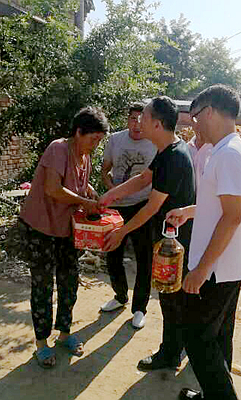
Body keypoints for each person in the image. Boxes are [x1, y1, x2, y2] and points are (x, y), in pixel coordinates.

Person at [166, 85, 241, 400]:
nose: (194, 123)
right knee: (217, 337)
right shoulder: (225, 150)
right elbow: (221, 205)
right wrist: (189, 212)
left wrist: (201, 270)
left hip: (216, 270)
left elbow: (231, 217)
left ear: (211, 112)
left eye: (196, 116)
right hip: (226, 266)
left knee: (197, 337)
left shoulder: (228, 154)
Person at [99, 96, 195, 371]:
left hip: (174, 242)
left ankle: (169, 354)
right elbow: (142, 179)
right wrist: (111, 195)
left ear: (157, 124)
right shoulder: (167, 150)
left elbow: (152, 207)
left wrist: (121, 232)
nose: (139, 121)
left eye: (145, 117)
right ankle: (176, 347)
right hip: (169, 236)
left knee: (170, 295)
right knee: (171, 295)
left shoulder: (174, 157)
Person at [18, 107, 108, 369]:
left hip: (67, 228)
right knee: (43, 285)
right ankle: (41, 343)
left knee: (69, 280)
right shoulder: (58, 149)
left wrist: (89, 190)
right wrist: (84, 202)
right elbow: (52, 188)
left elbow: (77, 181)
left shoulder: (84, 155)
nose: (95, 145)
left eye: (99, 140)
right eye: (93, 139)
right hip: (42, 227)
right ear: (78, 132)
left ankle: (65, 333)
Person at [99, 102, 157, 329]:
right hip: (117, 206)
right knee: (112, 253)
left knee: (144, 258)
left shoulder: (154, 142)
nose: (137, 124)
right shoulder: (115, 140)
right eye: (133, 118)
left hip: (143, 206)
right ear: (128, 120)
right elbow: (105, 170)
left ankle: (140, 308)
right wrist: (112, 190)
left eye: (141, 119)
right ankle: (120, 296)